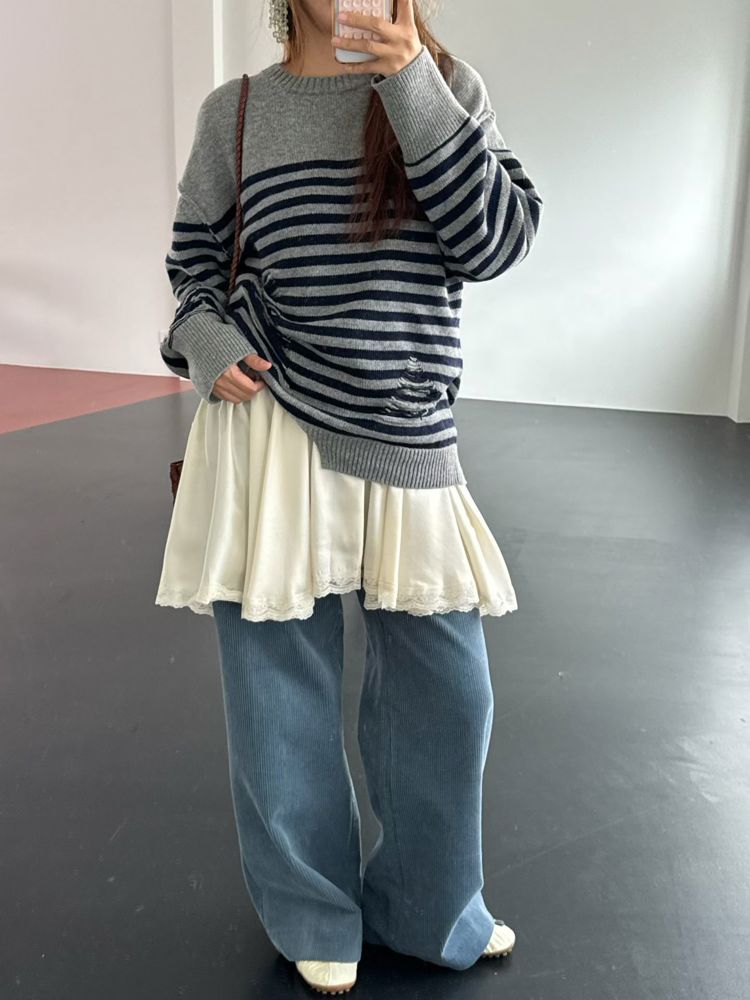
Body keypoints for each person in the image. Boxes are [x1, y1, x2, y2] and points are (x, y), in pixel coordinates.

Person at [155, 0, 543, 992]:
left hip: (408, 426)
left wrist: (408, 82)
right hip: (271, 422)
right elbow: (193, 265)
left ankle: (430, 905)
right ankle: (312, 911)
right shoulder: (237, 111)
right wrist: (207, 342)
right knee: (278, 689)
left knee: (447, 692)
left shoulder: (444, 87)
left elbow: (496, 244)